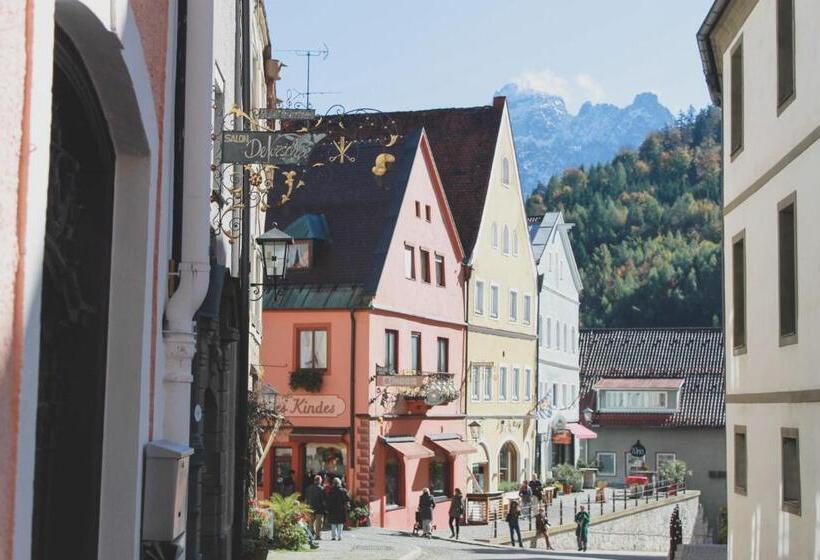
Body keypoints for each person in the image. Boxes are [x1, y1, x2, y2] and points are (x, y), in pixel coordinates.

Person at [304, 474, 326, 540]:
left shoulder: (308, 488)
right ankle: (318, 536)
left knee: (311, 522)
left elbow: (306, 498)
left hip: (310, 507)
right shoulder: (321, 489)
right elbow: (323, 500)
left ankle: (311, 534)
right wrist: (325, 507)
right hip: (319, 508)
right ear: (319, 481)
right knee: (319, 523)